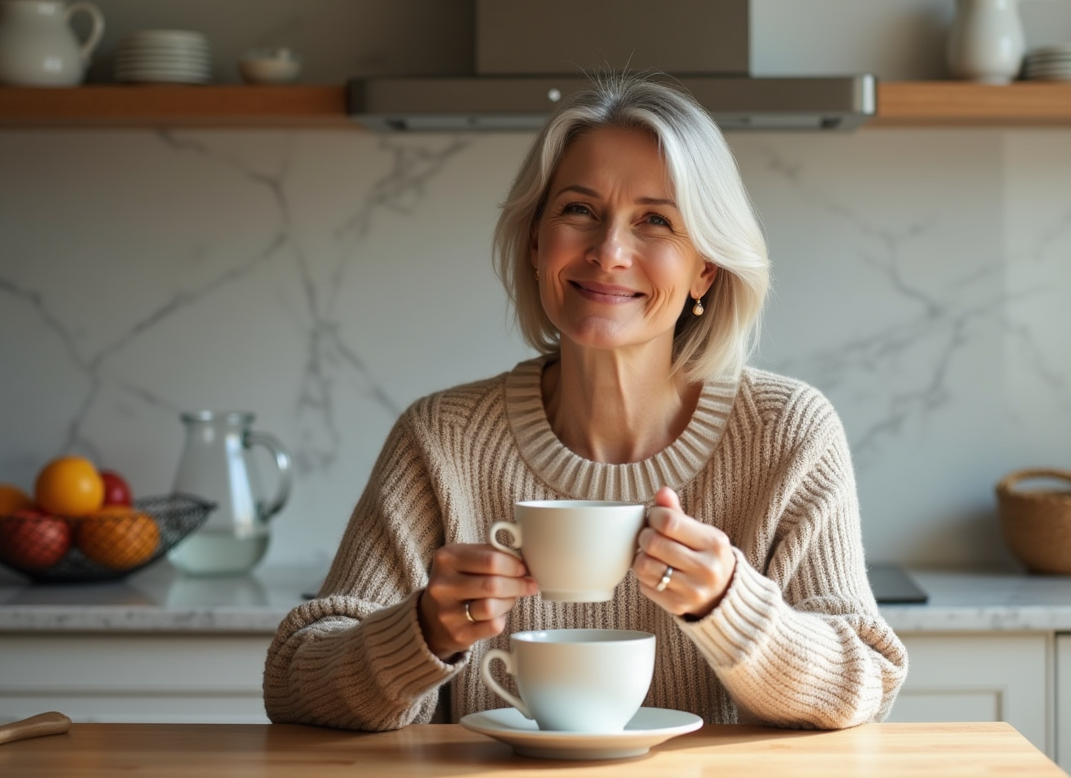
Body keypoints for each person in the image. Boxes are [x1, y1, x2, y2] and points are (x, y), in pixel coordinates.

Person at [263, 71, 908, 731]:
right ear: (536, 242)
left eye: (655, 220)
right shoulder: (440, 439)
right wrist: (423, 630)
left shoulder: (787, 432)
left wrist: (729, 605)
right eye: (579, 211)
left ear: (705, 270)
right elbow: (293, 683)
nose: (609, 252)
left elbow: (866, 684)